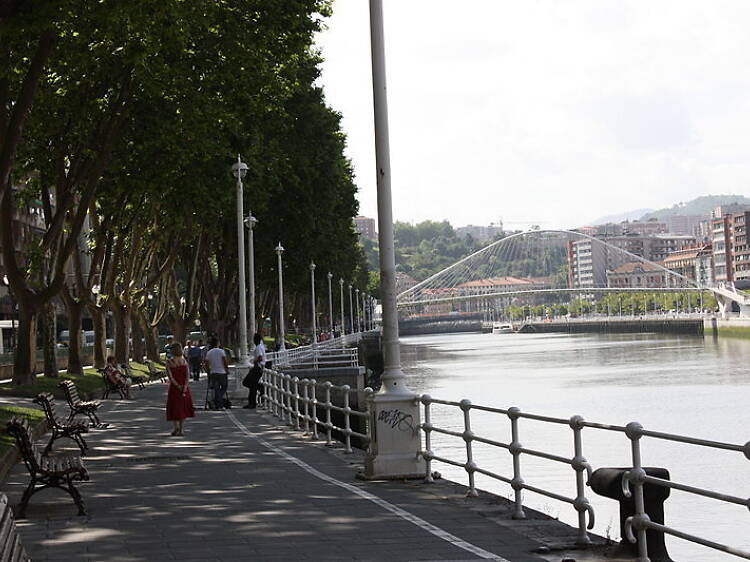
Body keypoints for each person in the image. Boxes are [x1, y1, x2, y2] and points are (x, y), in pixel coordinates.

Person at [166, 342, 194, 436]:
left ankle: (176, 427)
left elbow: (170, 377)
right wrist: (185, 386)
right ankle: (181, 429)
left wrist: (177, 386)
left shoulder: (169, 362)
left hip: (174, 388)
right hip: (184, 388)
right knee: (183, 407)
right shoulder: (184, 361)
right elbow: (187, 375)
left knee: (174, 407)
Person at [203, 337, 228, 409]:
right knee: (224, 387)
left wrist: (208, 370)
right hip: (222, 372)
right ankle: (219, 401)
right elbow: (224, 361)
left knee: (216, 389)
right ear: (217, 343)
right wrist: (226, 369)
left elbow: (206, 363)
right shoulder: (221, 351)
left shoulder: (209, 352)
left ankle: (218, 403)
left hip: (213, 372)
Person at [244, 333, 266, 409]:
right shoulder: (260, 347)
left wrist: (255, 362)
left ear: (255, 340)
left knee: (247, 382)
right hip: (257, 368)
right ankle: (252, 401)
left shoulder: (259, 348)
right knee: (251, 384)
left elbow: (260, 357)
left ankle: (260, 389)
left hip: (257, 368)